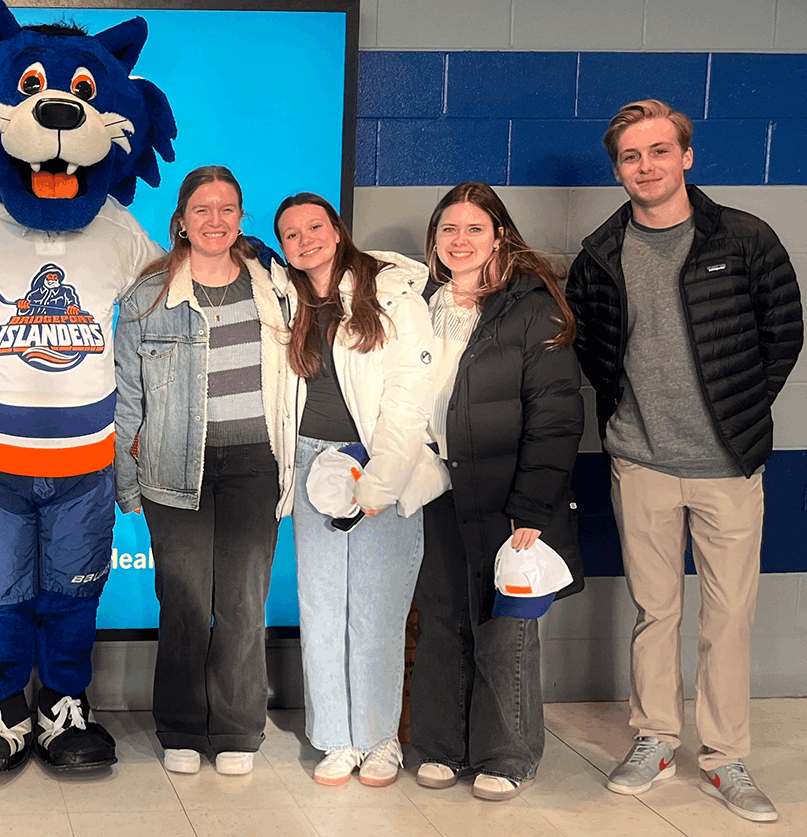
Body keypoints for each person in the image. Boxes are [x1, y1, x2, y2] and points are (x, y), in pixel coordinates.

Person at [566, 99, 802, 823]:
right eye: (632, 157)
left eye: (659, 152)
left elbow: (783, 331)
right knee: (656, 610)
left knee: (728, 616)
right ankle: (655, 739)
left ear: (686, 157)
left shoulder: (746, 237)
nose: (647, 166)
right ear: (618, 169)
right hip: (640, 461)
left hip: (728, 464)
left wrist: (736, 415)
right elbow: (592, 348)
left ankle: (727, 757)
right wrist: (632, 421)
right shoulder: (602, 251)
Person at [114, 167, 298, 776]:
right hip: (173, 467)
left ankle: (240, 730)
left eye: (227, 209)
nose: (215, 220)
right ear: (182, 220)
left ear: (241, 219)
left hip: (254, 464)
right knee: (186, 603)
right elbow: (127, 399)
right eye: (202, 210)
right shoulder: (146, 298)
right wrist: (127, 482)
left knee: (244, 602)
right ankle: (182, 728)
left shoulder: (275, 287)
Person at [412, 182, 585, 802]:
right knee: (440, 621)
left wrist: (532, 507)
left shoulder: (531, 307)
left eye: (474, 230)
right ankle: (437, 747)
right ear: (435, 240)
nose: (460, 242)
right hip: (433, 490)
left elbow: (557, 413)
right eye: (448, 230)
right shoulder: (417, 302)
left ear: (499, 236)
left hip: (507, 496)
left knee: (503, 627)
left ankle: (507, 756)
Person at [273, 192, 442, 788]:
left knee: (378, 610)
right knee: (322, 608)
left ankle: (379, 740)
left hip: (379, 464)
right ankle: (336, 739)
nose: (305, 240)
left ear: (338, 230)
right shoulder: (286, 301)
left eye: (314, 227)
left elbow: (410, 394)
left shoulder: (392, 293)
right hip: (314, 466)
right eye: (291, 234)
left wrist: (382, 480)